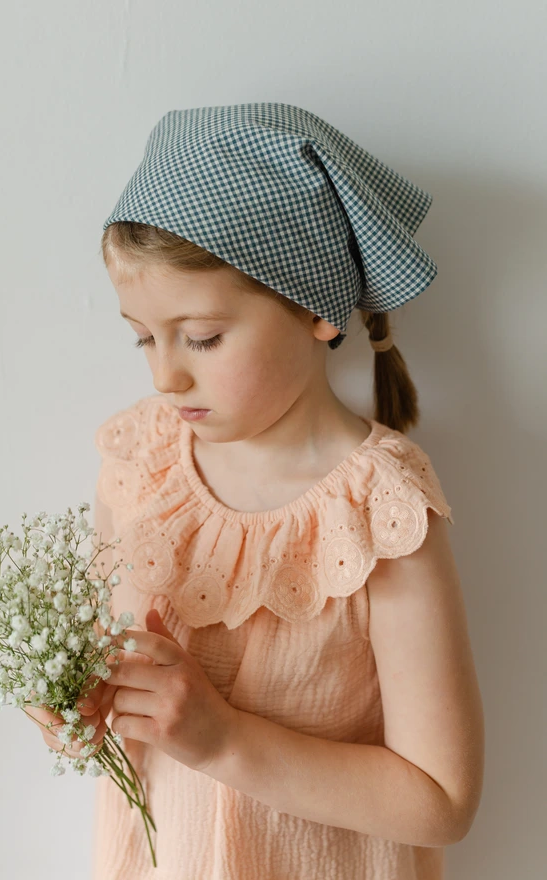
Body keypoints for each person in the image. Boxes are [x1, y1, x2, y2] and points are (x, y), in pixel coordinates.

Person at [36, 103, 485, 879]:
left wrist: (225, 740)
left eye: (202, 337)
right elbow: (122, 670)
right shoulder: (139, 462)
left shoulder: (381, 509)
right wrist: (82, 709)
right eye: (143, 336)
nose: (164, 374)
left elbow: (442, 799)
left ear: (314, 307)